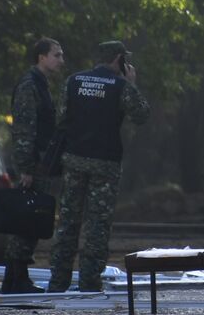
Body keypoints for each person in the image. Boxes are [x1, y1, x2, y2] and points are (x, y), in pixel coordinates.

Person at [46, 40, 150, 293]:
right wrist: (132, 84)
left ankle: (58, 282)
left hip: (74, 160)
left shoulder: (74, 81)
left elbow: (61, 117)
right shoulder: (121, 85)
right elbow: (141, 115)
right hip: (105, 163)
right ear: (118, 59)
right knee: (96, 226)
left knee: (68, 223)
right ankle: (89, 283)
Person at [0, 37, 65, 294]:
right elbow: (24, 130)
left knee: (31, 222)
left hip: (41, 163)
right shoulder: (30, 85)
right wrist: (26, 167)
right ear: (42, 57)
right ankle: (15, 279)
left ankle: (17, 278)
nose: (61, 60)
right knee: (25, 221)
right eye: (57, 55)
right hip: (34, 165)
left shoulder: (41, 84)